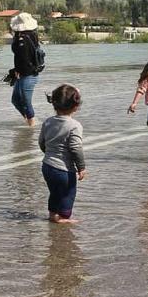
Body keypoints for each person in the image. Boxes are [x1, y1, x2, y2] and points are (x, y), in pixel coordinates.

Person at [39, 84, 87, 224]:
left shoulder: (48, 122)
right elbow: (75, 148)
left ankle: (53, 215)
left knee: (54, 192)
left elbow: (42, 142)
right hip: (64, 170)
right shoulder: (74, 125)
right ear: (75, 106)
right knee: (68, 194)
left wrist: (48, 154)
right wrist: (81, 167)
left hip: (47, 166)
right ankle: (64, 218)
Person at [10, 12, 43, 126]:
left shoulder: (22, 39)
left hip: (28, 74)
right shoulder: (30, 35)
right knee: (16, 100)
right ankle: (29, 121)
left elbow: (23, 57)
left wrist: (17, 71)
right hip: (26, 73)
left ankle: (31, 125)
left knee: (24, 101)